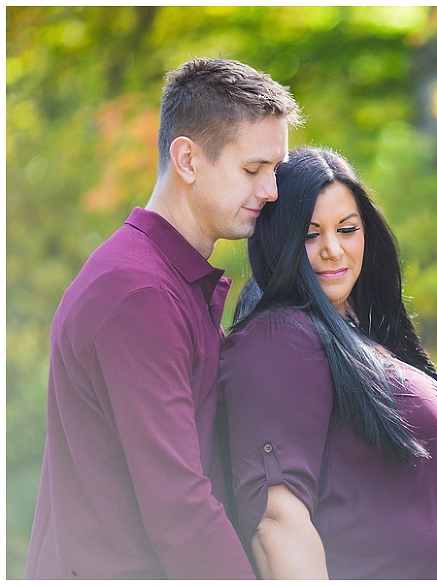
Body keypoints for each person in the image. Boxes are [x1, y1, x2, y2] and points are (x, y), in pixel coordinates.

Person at [24, 57, 302, 579]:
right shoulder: (138, 294)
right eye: (252, 170)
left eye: (275, 171)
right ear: (188, 160)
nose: (271, 191)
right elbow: (179, 506)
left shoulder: (169, 282)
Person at [219, 147, 437, 579]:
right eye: (310, 235)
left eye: (347, 229)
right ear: (280, 241)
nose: (333, 250)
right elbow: (276, 520)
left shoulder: (359, 334)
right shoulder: (279, 339)